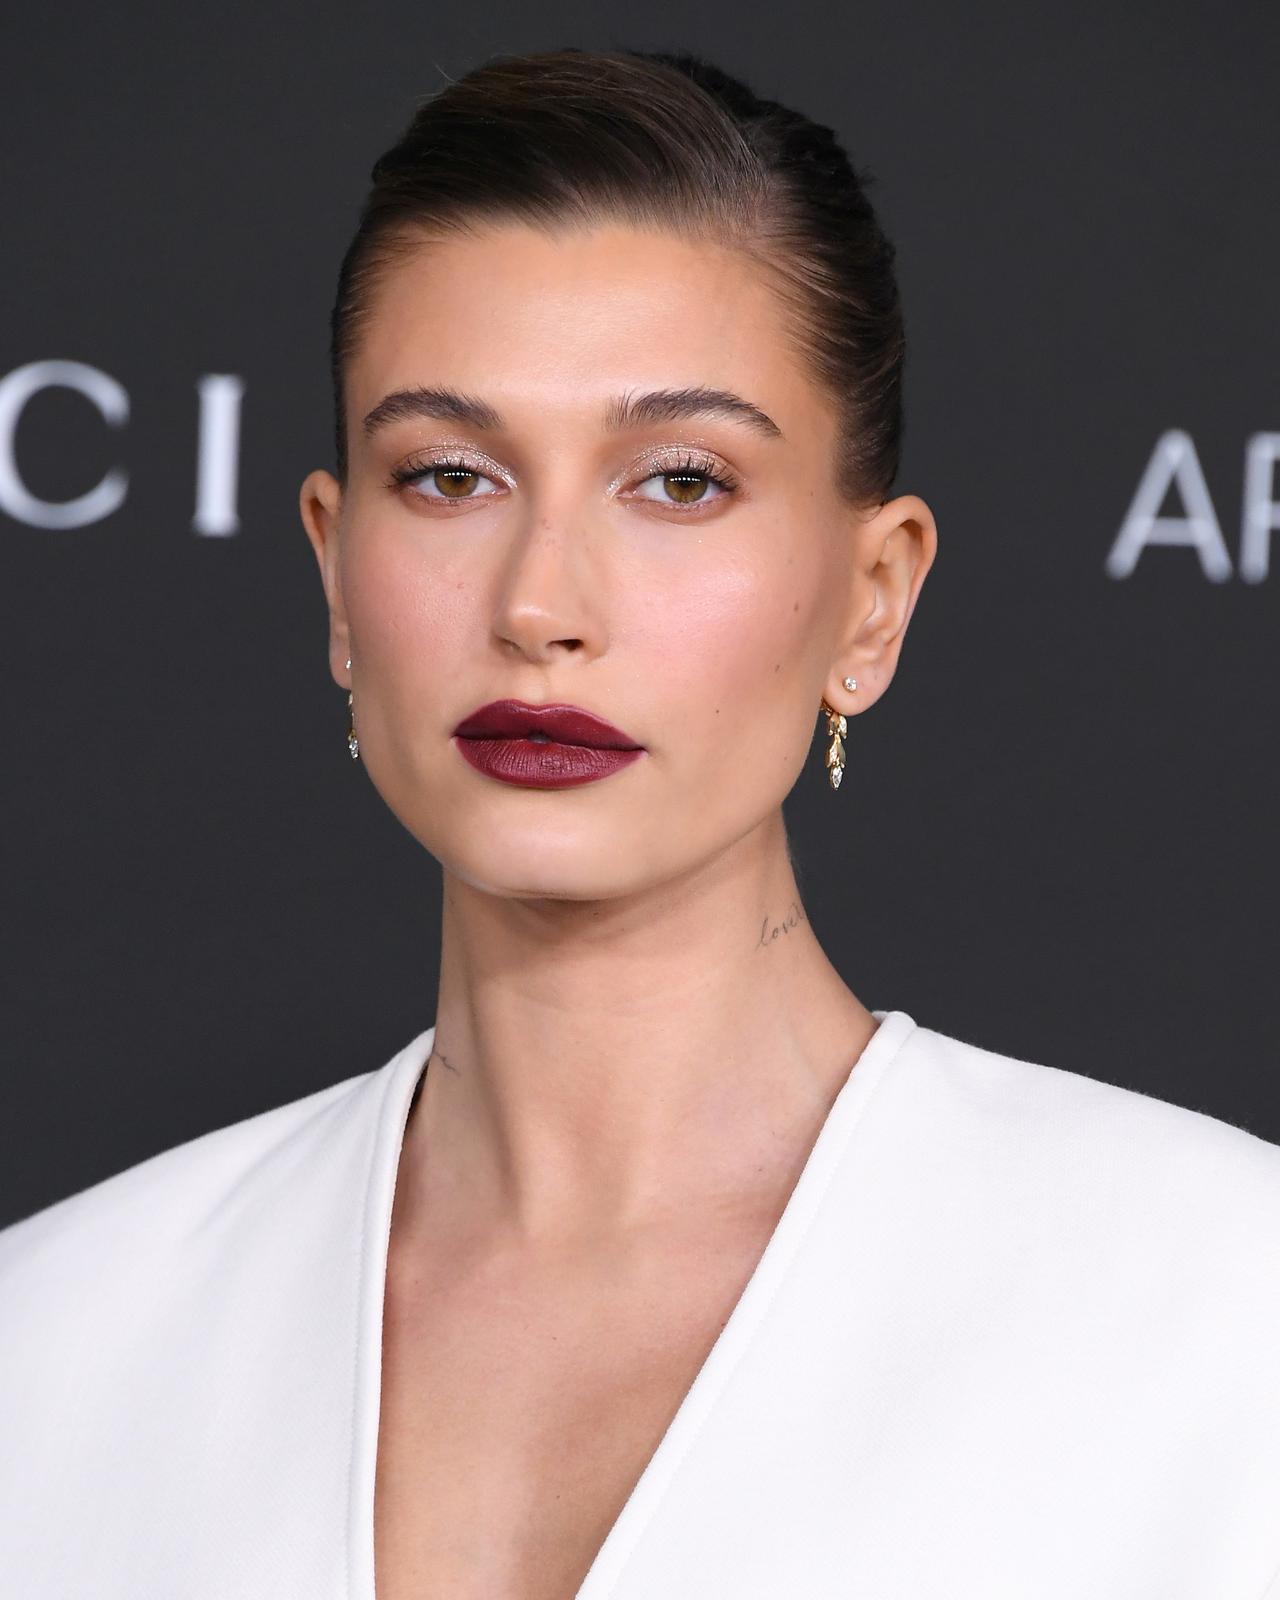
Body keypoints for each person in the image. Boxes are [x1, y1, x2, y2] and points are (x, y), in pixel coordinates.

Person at [2, 44, 1279, 1600]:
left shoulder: (1224, 1314)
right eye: (449, 476)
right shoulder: (53, 1347)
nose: (541, 604)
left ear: (872, 600)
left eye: (678, 483)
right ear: (336, 575)